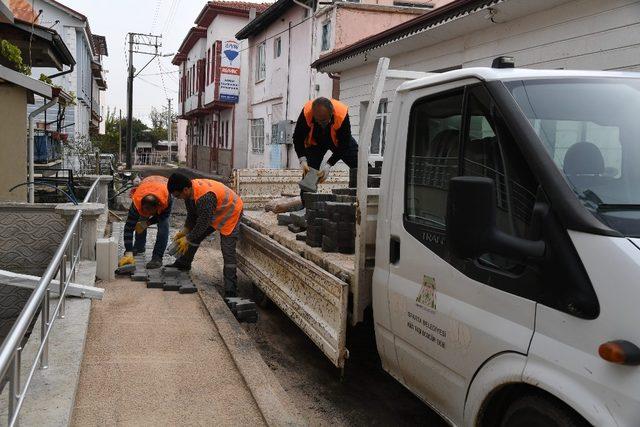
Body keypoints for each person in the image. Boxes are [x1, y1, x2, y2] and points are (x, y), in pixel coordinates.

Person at [166, 173, 243, 298]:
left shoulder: (205, 198)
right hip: (215, 211)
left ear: (185, 189)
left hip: (230, 212)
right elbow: (192, 215)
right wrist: (185, 230)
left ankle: (231, 290)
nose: (178, 198)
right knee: (194, 235)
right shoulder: (189, 193)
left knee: (227, 251)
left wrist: (188, 238)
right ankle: (184, 263)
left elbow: (202, 224)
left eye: (178, 195)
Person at [292, 97, 358, 186]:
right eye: (317, 120)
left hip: (338, 140)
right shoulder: (307, 112)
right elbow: (297, 138)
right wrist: (302, 160)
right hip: (316, 143)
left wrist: (329, 165)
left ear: (331, 114)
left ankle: (362, 194)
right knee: (309, 175)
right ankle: (307, 198)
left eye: (323, 121)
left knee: (359, 165)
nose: (320, 123)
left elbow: (344, 143)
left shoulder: (341, 114)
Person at [118, 175, 173, 269]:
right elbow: (128, 228)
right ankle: (139, 247)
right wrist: (128, 251)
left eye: (150, 212)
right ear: (141, 205)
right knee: (141, 221)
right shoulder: (136, 203)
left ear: (158, 207)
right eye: (144, 211)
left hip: (164, 186)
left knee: (163, 225)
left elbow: (162, 216)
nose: (147, 214)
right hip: (147, 184)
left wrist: (148, 223)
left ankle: (157, 257)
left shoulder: (166, 200)